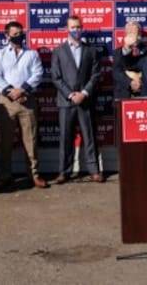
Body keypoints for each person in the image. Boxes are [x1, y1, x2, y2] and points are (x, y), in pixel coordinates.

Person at [0, 21, 48, 190]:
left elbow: (37, 74)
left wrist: (22, 91)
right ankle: (5, 176)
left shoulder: (32, 54)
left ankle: (34, 175)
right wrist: (11, 92)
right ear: (7, 36)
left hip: (27, 101)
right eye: (14, 34)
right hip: (7, 103)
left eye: (20, 33)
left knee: (31, 140)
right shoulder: (0, 54)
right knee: (5, 142)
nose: (18, 36)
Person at [51, 16, 103, 184]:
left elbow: (95, 75)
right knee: (66, 137)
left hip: (85, 100)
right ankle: (64, 172)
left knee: (89, 136)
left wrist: (84, 93)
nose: (76, 30)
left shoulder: (91, 51)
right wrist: (71, 95)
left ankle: (94, 170)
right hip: (66, 102)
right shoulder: (58, 51)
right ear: (67, 28)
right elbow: (56, 77)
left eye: (79, 27)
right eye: (73, 27)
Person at [112, 21, 147, 100]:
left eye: (136, 33)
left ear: (140, 34)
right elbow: (116, 72)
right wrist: (130, 83)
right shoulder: (118, 52)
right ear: (125, 35)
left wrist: (139, 82)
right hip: (123, 95)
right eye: (130, 33)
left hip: (144, 94)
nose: (133, 36)